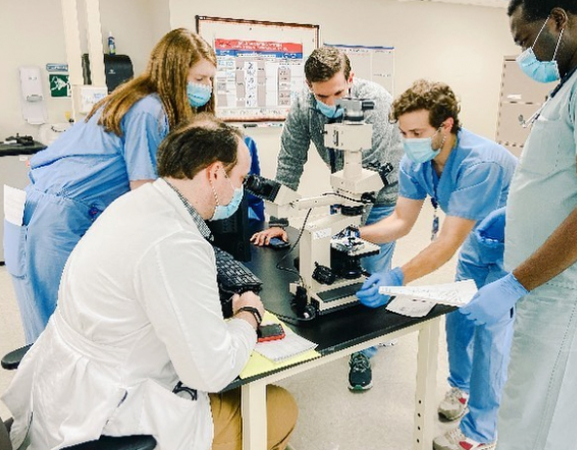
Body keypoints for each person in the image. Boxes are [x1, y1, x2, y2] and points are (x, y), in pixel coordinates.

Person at [2, 114, 298, 450]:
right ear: (215, 173)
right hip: (112, 416)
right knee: (279, 408)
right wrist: (248, 316)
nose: (241, 191)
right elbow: (210, 372)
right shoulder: (175, 243)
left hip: (64, 394)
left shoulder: (133, 204)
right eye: (241, 179)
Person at [3, 28, 218, 344]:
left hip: (73, 213)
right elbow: (146, 194)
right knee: (58, 331)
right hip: (56, 218)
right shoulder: (150, 109)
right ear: (174, 73)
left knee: (85, 320)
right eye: (199, 79)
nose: (207, 88)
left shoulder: (146, 103)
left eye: (211, 80)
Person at [460, 1, 577, 449]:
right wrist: (517, 216)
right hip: (547, 283)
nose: (528, 54)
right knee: (523, 413)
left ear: (558, 20)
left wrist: (513, 284)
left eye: (526, 39)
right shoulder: (575, 80)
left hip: (568, 288)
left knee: (540, 426)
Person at [354, 80, 518, 450]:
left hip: (514, 250)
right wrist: (353, 235)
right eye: (403, 132)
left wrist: (397, 276)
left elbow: (446, 243)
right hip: (477, 245)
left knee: (491, 331)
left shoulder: (481, 163)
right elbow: (401, 222)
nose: (409, 140)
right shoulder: (417, 161)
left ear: (446, 125)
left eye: (417, 132)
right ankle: (460, 390)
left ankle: (480, 432)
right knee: (458, 319)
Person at [249, 46, 403, 390]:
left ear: (351, 78)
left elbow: (371, 174)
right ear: (308, 86)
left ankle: (365, 347)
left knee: (371, 271)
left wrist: (349, 234)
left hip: (381, 192)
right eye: (322, 95)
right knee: (336, 265)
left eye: (338, 92)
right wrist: (278, 220)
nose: (331, 102)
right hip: (341, 192)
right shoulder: (305, 107)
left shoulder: (376, 102)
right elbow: (290, 160)